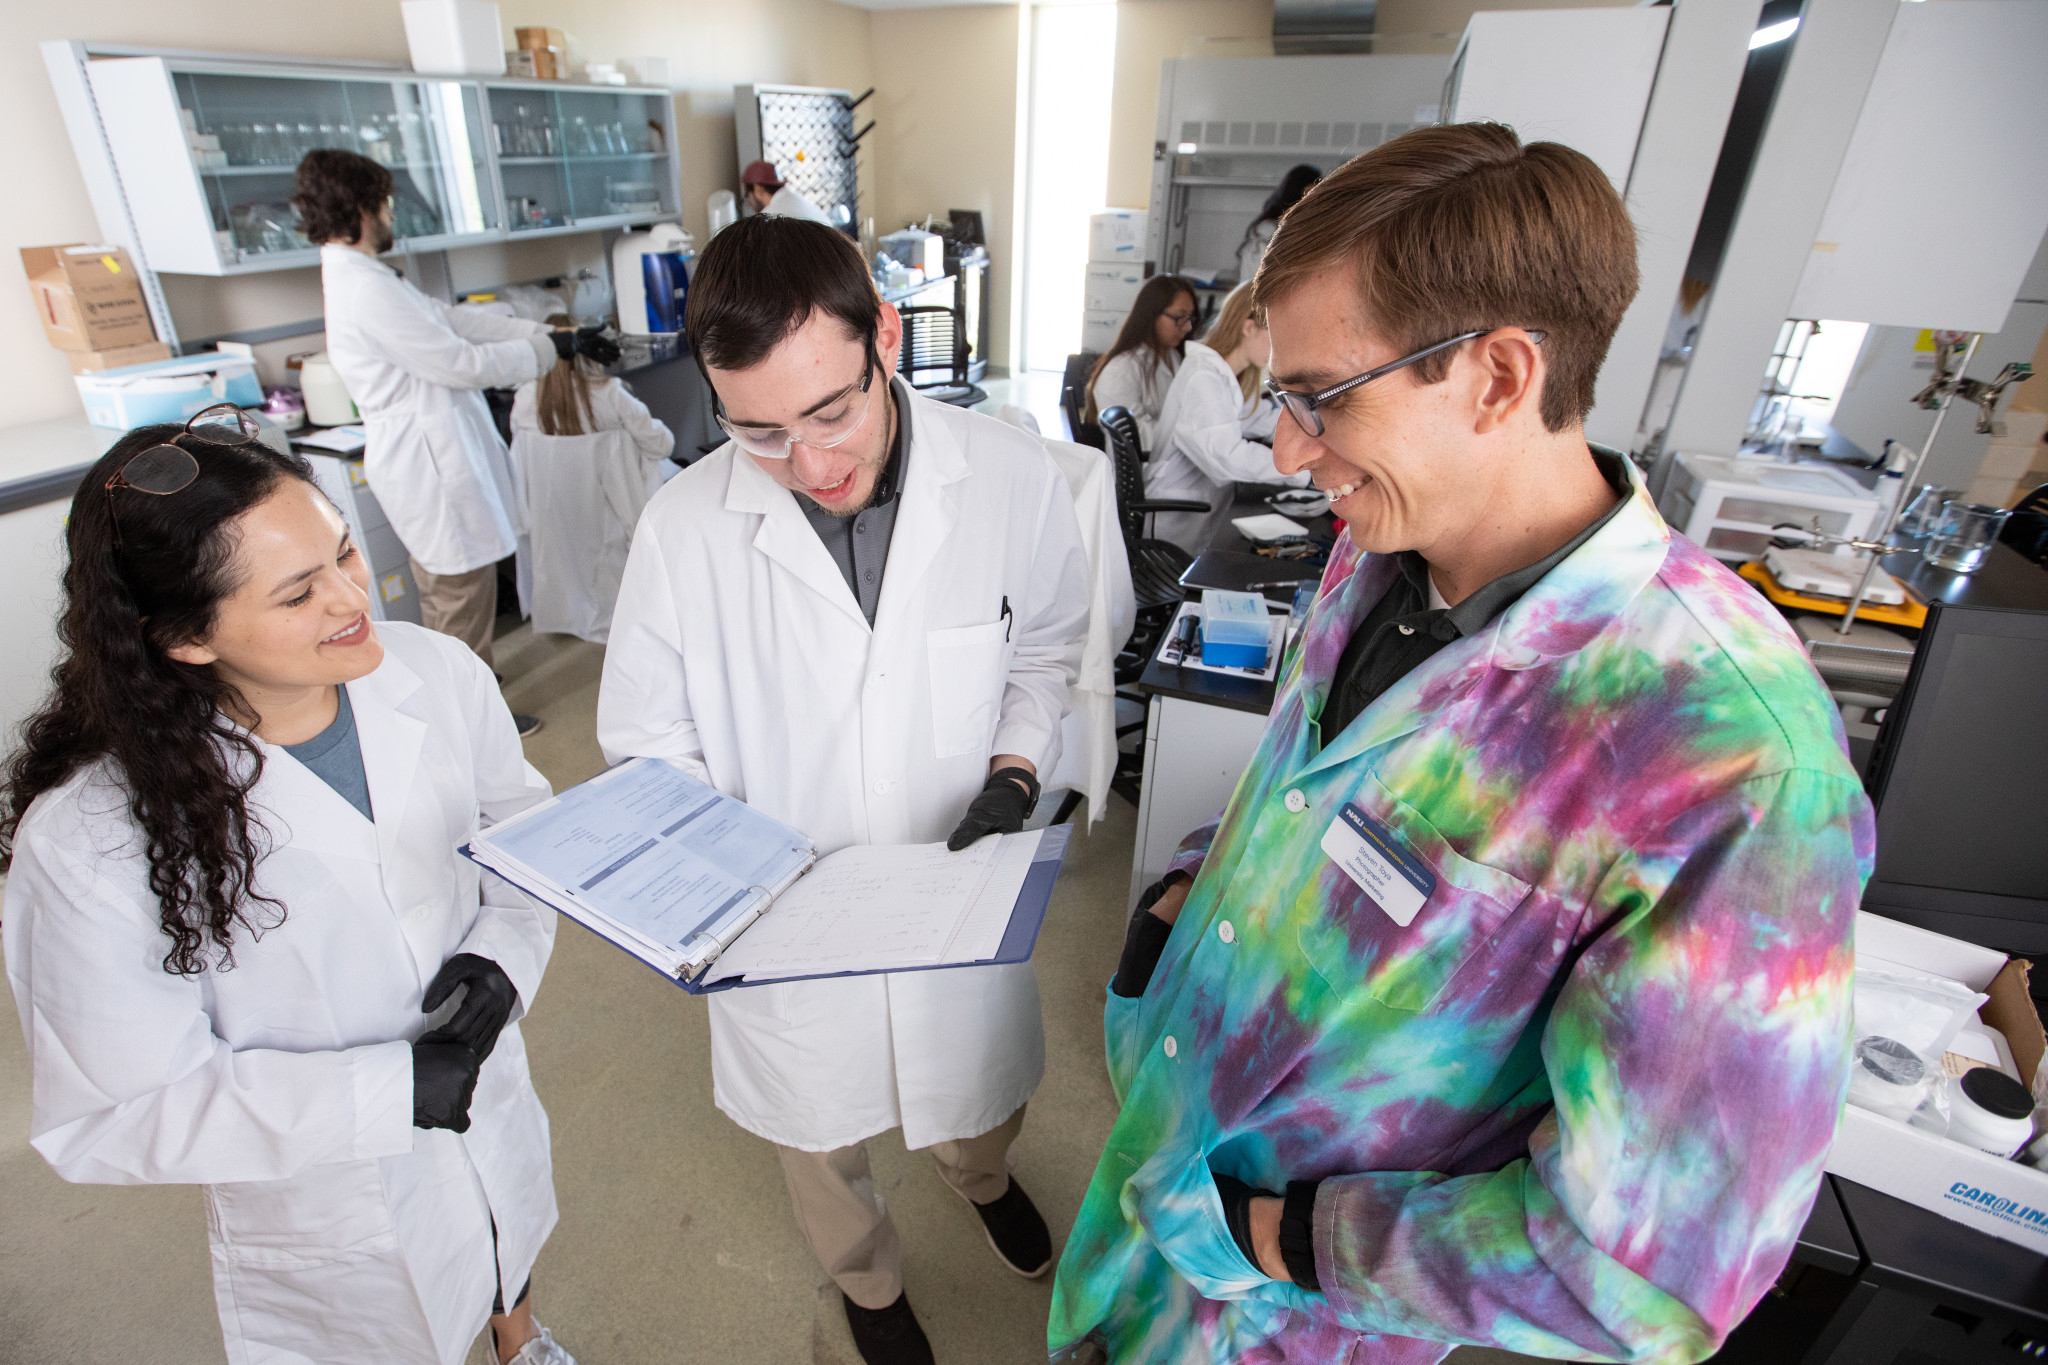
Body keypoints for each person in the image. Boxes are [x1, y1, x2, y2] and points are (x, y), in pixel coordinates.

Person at [1049, 124, 1874, 1364]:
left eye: (1321, 399)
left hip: (1286, 1317)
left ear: (1495, 376)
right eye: (1282, 396)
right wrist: (1178, 907)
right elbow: (1318, 790)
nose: (1285, 449)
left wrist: (1274, 1238)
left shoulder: (1725, 762)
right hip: (1151, 1184)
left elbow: (1649, 1278)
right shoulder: (1376, 545)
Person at [596, 214, 1090, 1365]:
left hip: (949, 881)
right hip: (781, 914)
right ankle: (866, 1282)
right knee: (816, 1129)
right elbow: (645, 743)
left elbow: (1044, 647)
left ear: (885, 336)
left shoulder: (1007, 475)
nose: (812, 466)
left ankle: (981, 1174)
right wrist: (719, 881)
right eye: (758, 431)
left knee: (973, 1086)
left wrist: (1016, 765)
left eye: (832, 411)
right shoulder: (681, 530)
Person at [2, 408, 576, 1365]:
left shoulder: (431, 670)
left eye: (345, 552)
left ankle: (520, 1340)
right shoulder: (91, 841)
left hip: (485, 1091)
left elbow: (522, 830)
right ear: (184, 637)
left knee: (498, 1228)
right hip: (324, 1195)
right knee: (384, 1322)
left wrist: (503, 956)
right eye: (300, 591)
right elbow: (109, 1112)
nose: (356, 597)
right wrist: (380, 1092)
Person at [300, 149, 610, 730]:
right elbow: (458, 361)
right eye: (386, 204)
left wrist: (551, 332)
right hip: (429, 468)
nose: (391, 215)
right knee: (457, 599)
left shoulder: (366, 278)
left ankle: (473, 688)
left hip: (436, 455)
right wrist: (550, 350)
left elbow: (452, 320)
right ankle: (469, 719)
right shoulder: (362, 287)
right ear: (362, 209)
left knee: (460, 594)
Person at [510, 341, 676, 642]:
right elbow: (662, 444)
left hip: (553, 523)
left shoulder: (524, 397)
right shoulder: (610, 393)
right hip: (613, 518)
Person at [1144, 280, 1309, 553]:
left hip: (1202, 509)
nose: (1282, 348)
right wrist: (1298, 468)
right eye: (1277, 336)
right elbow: (1227, 456)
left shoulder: (1221, 374)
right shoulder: (1204, 378)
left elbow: (1253, 419)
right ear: (1248, 327)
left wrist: (1309, 427)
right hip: (1176, 521)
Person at [1083, 275, 1197, 449]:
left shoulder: (1174, 357)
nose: (1187, 327)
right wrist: (1196, 436)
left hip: (1171, 463)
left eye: (1189, 318)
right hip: (1143, 470)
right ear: (1151, 315)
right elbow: (1136, 437)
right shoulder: (1121, 370)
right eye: (1179, 317)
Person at [1236, 162, 1322, 284]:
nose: (1312, 202)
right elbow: (1257, 279)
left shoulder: (1307, 230)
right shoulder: (1267, 230)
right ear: (1294, 193)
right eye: (1308, 194)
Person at [741, 158, 835, 224]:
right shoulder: (799, 202)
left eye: (747, 195)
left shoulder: (769, 218)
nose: (749, 202)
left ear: (758, 190)